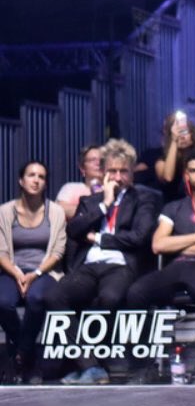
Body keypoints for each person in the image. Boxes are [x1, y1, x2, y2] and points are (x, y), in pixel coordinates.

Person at [46, 139, 156, 385]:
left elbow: (138, 237)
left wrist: (99, 237)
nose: (117, 177)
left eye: (123, 171)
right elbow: (74, 230)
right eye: (112, 171)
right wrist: (105, 204)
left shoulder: (144, 199)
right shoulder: (92, 201)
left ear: (131, 172)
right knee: (55, 296)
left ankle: (96, 364)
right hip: (89, 265)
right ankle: (90, 365)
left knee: (110, 298)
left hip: (120, 265)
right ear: (104, 172)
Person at [124, 149, 195, 384]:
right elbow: (158, 244)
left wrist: (178, 245)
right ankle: (144, 365)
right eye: (194, 171)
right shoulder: (173, 208)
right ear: (187, 175)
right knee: (136, 292)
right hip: (177, 267)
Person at [0, 161, 66, 384]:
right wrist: (18, 274)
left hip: (45, 272)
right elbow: (0, 251)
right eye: (31, 175)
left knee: (37, 298)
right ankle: (27, 355)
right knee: (3, 302)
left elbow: (57, 251)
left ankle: (20, 356)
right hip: (11, 271)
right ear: (21, 180)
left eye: (41, 177)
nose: (36, 180)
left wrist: (35, 273)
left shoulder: (55, 212)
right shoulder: (5, 211)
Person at [54, 145, 103, 220]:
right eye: (93, 160)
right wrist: (97, 210)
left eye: (102, 160)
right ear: (82, 168)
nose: (98, 163)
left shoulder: (112, 188)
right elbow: (59, 209)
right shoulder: (70, 188)